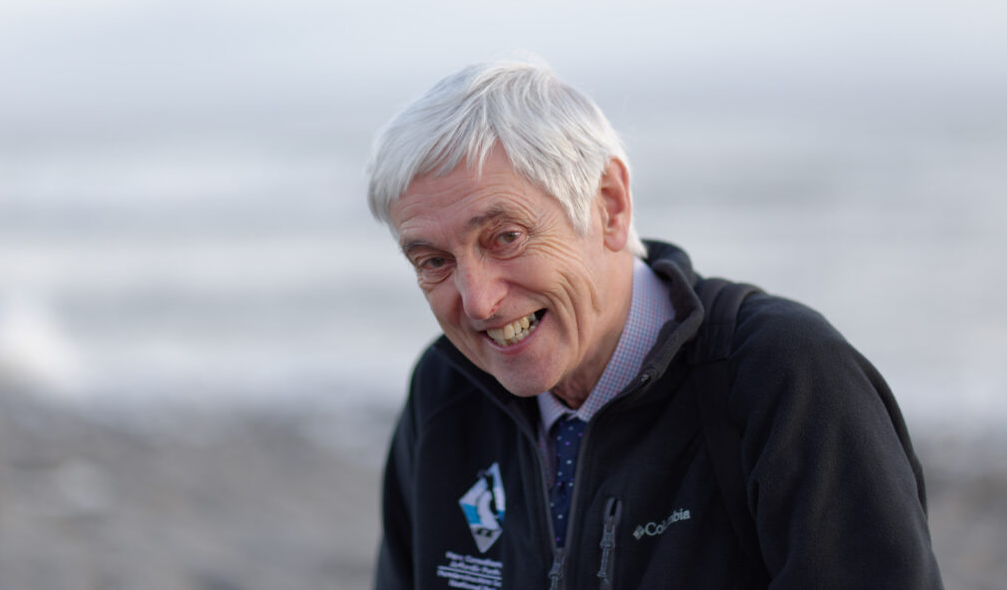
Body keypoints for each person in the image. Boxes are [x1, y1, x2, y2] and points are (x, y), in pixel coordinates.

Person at [366, 58, 944, 589]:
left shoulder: (787, 378)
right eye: (433, 262)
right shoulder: (446, 392)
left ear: (609, 206)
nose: (477, 303)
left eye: (506, 237)